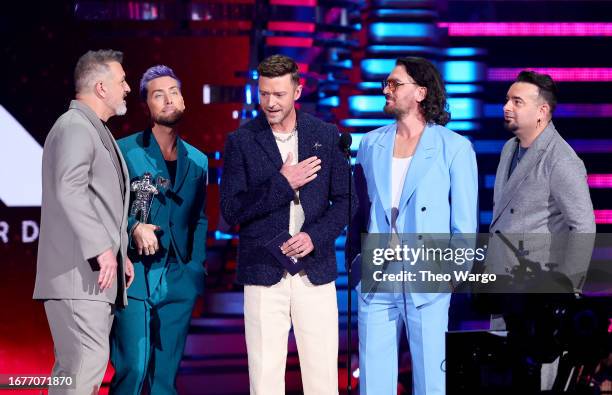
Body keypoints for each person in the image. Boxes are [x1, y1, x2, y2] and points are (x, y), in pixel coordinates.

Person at [219, 54, 355, 395]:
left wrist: (314, 236)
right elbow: (231, 210)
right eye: (264, 94)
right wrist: (282, 183)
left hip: (315, 270)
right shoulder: (241, 141)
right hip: (264, 273)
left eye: (278, 94)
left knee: (322, 376)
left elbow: (346, 201)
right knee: (264, 379)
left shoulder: (325, 135)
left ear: (297, 90)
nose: (270, 102)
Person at [352, 57, 478, 395]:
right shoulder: (370, 144)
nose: (386, 90)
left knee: (431, 382)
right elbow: (360, 211)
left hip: (428, 280)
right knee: (373, 382)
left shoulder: (454, 148)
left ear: (420, 92)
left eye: (395, 84)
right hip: (378, 276)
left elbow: (464, 226)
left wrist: (450, 276)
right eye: (386, 83)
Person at [33, 49, 134, 395]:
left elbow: (98, 201)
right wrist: (102, 249)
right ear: (101, 87)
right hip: (79, 277)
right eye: (122, 81)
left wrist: (119, 254)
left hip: (90, 277)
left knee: (74, 371)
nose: (128, 89)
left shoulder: (92, 128)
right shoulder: (75, 127)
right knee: (85, 365)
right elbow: (70, 189)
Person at [488, 70, 596, 390]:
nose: (507, 106)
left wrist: (566, 292)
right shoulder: (510, 148)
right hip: (504, 290)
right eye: (507, 99)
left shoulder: (561, 159)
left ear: (542, 111)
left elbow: (584, 224)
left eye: (517, 101)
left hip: (539, 300)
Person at [110, 65, 208, 395]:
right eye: (158, 94)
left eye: (174, 92)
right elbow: (104, 206)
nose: (168, 99)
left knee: (165, 379)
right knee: (134, 368)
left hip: (179, 277)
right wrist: (133, 227)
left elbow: (200, 218)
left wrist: (195, 268)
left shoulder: (198, 160)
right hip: (134, 274)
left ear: (184, 100)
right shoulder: (124, 151)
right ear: (145, 106)